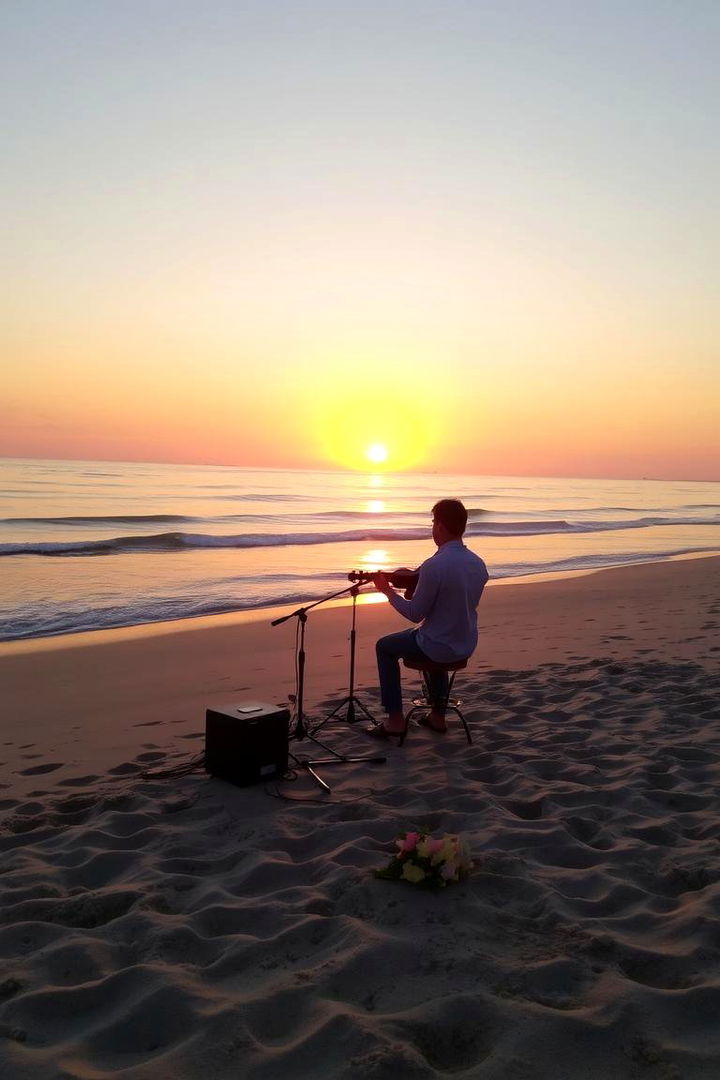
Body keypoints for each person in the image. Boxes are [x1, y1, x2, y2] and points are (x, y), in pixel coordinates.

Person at [367, 498, 489, 739]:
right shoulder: (478, 564)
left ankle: (395, 720)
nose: (433, 528)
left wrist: (387, 591)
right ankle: (437, 716)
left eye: (433, 522)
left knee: (384, 646)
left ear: (440, 526)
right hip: (464, 644)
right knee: (430, 637)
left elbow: (415, 614)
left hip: (438, 645)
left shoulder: (435, 565)